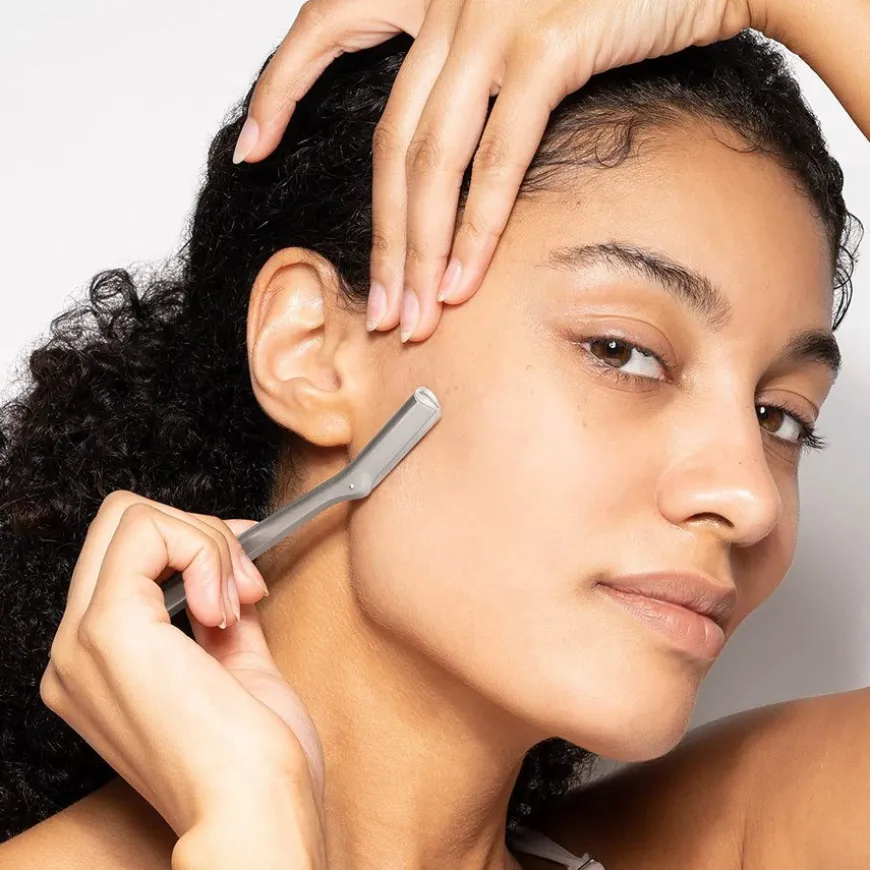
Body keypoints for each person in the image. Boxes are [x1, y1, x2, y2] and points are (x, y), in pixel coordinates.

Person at [0, 0, 867, 868]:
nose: (749, 496)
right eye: (622, 351)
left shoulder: (733, 834)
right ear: (310, 351)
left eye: (781, 417)